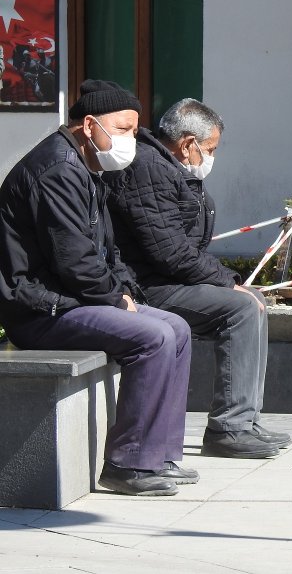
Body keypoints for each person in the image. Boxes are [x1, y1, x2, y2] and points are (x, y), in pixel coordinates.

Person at [0, 80, 195, 496]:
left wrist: (124, 291)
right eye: (122, 130)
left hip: (71, 301)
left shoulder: (86, 167)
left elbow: (107, 251)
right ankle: (128, 464)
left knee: (176, 329)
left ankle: (159, 453)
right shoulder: (57, 170)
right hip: (40, 311)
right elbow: (76, 262)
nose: (130, 140)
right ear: (89, 125)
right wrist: (114, 297)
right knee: (154, 336)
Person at [106, 98, 290, 460]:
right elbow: (169, 251)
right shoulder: (149, 168)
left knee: (252, 300)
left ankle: (246, 419)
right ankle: (229, 428)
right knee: (240, 307)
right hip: (148, 286)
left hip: (165, 280)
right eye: (210, 149)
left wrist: (229, 282)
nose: (210, 157)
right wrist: (226, 282)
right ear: (188, 144)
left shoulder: (168, 168)